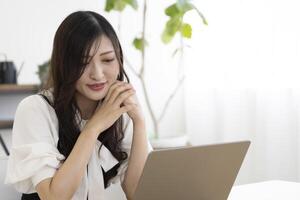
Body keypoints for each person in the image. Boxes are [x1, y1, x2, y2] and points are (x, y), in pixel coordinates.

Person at [5, 11, 152, 200]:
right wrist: (93, 128)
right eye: (83, 62)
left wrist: (139, 121)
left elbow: (138, 194)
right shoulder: (35, 109)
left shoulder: (120, 113)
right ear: (64, 64)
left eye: (107, 60)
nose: (98, 74)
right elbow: (53, 197)